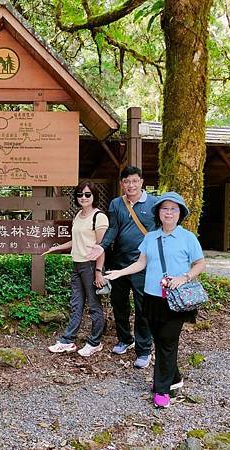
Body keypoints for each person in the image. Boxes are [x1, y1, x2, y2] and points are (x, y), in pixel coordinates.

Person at [104, 192, 206, 408]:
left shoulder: (188, 238)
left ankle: (162, 390)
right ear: (158, 212)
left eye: (174, 209)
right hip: (152, 297)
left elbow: (200, 264)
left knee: (168, 342)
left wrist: (183, 277)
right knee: (160, 341)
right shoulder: (150, 237)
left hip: (175, 300)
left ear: (181, 213)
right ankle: (174, 378)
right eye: (164, 208)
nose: (168, 213)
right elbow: (141, 263)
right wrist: (120, 273)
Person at [87, 166, 157, 369]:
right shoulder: (117, 204)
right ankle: (125, 339)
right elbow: (113, 229)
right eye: (127, 182)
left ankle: (144, 350)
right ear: (121, 184)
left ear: (141, 182)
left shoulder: (154, 203)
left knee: (142, 308)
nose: (131, 185)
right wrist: (101, 246)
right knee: (119, 304)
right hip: (118, 262)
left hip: (143, 264)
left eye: (135, 181)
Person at [43, 180, 108, 357]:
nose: (83, 197)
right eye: (80, 194)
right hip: (77, 264)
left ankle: (95, 342)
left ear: (94, 196)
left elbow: (101, 246)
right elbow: (77, 241)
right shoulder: (78, 216)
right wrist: (57, 247)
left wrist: (98, 271)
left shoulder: (99, 217)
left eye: (88, 194)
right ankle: (68, 341)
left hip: (91, 265)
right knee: (76, 304)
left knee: (94, 305)